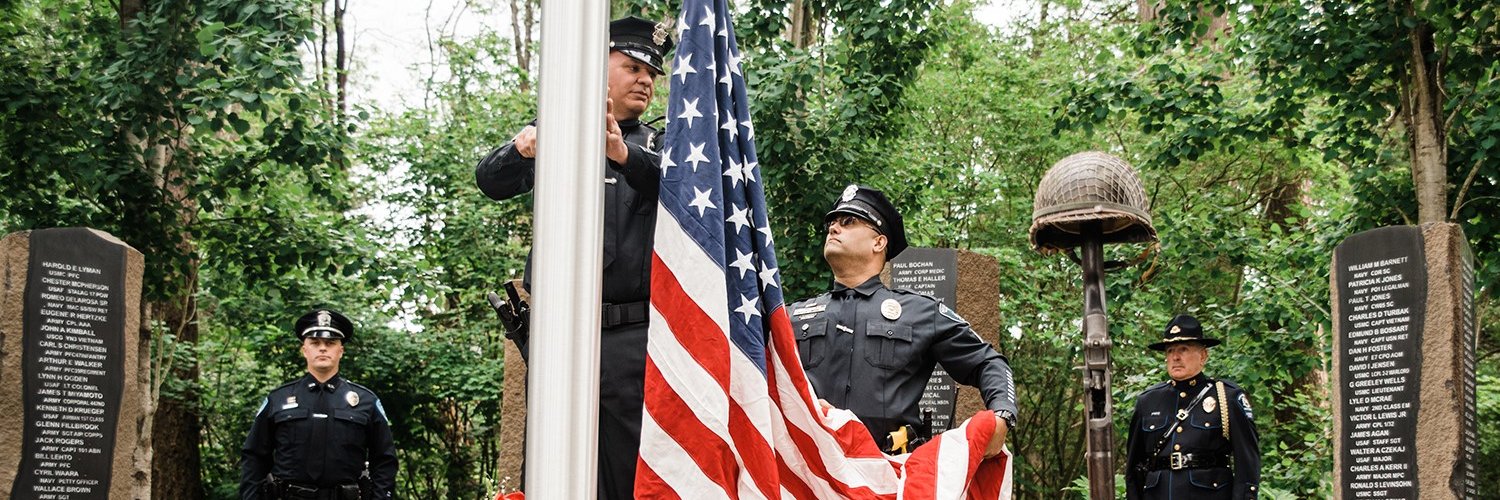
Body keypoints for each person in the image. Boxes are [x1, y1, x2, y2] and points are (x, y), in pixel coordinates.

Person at [473, 16, 671, 500]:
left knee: (628, 472)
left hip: (631, 338)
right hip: (559, 335)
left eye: (651, 74)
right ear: (597, 66)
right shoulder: (558, 127)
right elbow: (490, 181)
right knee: (550, 468)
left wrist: (624, 155)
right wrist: (523, 148)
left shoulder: (663, 145)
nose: (644, 80)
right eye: (631, 67)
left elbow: (682, 192)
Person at [788, 184, 1018, 455]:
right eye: (833, 222)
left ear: (879, 242)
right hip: (808, 473)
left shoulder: (921, 313)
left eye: (848, 221)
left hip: (889, 476)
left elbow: (988, 362)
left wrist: (1001, 415)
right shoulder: (791, 317)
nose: (834, 228)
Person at [239, 308, 398, 500]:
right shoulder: (278, 400)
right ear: (304, 350)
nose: (323, 348)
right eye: (315, 343)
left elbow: (384, 460)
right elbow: (254, 456)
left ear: (341, 350)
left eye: (330, 343)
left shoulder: (366, 401)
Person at [1125, 314, 1261, 499]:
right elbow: (1134, 468)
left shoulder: (1226, 397)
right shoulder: (1148, 401)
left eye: (1183, 349)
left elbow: (1247, 462)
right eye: (1170, 350)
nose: (1175, 357)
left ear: (1203, 356)